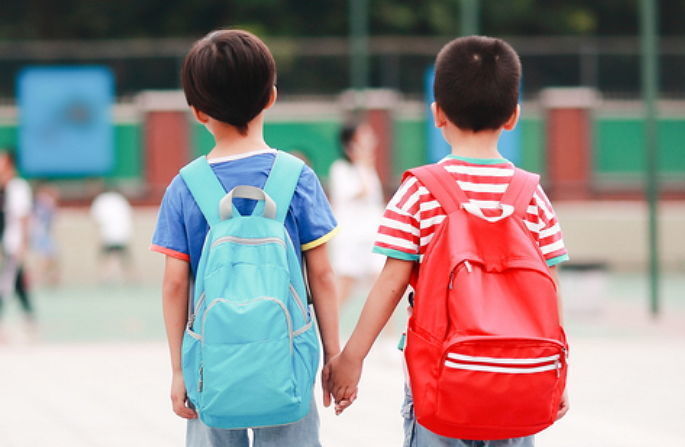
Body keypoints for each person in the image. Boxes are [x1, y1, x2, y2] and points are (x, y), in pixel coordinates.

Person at [323, 36, 570, 446]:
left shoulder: (420, 191)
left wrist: (351, 358)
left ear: (437, 114)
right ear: (514, 116)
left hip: (441, 381)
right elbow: (551, 290)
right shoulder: (533, 196)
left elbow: (390, 283)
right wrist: (558, 373)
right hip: (519, 378)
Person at [150, 29, 340, 447]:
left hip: (211, 360)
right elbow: (323, 276)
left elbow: (175, 284)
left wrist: (180, 371)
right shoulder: (298, 178)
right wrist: (333, 356)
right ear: (271, 96)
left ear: (198, 111)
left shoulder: (185, 187)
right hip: (287, 357)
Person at [329, 122, 385, 305]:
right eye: (364, 138)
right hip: (351, 238)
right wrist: (362, 163)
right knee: (345, 284)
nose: (370, 142)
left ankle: (390, 332)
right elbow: (363, 191)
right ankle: (327, 329)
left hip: (372, 237)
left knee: (381, 283)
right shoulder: (341, 169)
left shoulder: (368, 169)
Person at [0, 150, 35, 338]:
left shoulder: (18, 187)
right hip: (8, 242)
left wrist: (23, 243)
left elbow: (23, 217)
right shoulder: (5, 188)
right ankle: (30, 316)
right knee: (17, 281)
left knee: (6, 282)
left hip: (14, 242)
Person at [90, 183, 133, 282]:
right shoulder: (121, 200)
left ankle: (106, 277)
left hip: (107, 234)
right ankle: (130, 278)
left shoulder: (101, 200)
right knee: (124, 257)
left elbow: (96, 218)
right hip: (123, 233)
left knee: (106, 257)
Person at [32, 182, 60, 286]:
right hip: (42, 234)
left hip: (43, 233)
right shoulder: (45, 200)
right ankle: (39, 278)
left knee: (51, 257)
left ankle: (49, 278)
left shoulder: (39, 201)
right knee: (47, 257)